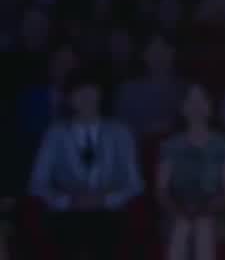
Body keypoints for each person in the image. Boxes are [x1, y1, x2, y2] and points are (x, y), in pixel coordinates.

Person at [28, 70, 143, 260]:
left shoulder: (120, 132)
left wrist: (105, 200)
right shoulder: (55, 133)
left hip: (110, 213)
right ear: (70, 99)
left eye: (91, 91)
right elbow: (37, 182)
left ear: (100, 94)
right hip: (67, 214)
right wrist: (67, 201)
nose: (85, 98)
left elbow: (135, 183)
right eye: (79, 92)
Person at [157, 83, 225, 260]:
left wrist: (207, 209)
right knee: (182, 226)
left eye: (201, 101)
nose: (196, 107)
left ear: (210, 107)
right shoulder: (170, 145)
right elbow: (161, 189)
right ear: (183, 108)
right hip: (178, 207)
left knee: (203, 227)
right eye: (191, 101)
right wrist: (177, 210)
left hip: (214, 208)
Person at [116, 33, 187, 137]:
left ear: (173, 52)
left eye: (163, 49)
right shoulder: (128, 91)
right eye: (153, 50)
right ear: (144, 55)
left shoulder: (186, 91)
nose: (159, 56)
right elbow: (120, 132)